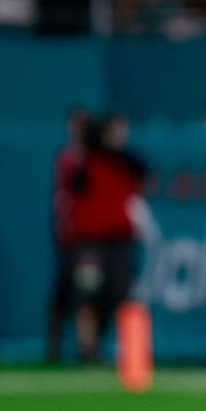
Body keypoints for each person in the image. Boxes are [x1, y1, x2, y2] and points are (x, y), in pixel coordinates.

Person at [66, 116, 148, 364]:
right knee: (88, 295)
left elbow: (144, 167)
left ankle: (129, 352)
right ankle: (87, 348)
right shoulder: (86, 161)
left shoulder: (125, 162)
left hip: (119, 241)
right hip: (90, 241)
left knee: (122, 296)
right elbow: (74, 185)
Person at [47, 108, 88, 364]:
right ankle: (54, 346)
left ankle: (87, 347)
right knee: (62, 296)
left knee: (86, 294)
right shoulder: (66, 158)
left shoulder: (94, 157)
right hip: (69, 239)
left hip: (88, 239)